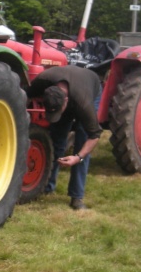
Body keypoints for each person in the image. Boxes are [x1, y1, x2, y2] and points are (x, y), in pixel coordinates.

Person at [28, 66, 102, 210]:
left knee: (82, 141)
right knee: (56, 140)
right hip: (70, 85)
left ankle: (77, 197)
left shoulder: (83, 102)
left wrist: (78, 157)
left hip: (90, 85)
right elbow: (24, 97)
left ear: (66, 102)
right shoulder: (42, 82)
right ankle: (47, 187)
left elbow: (95, 135)